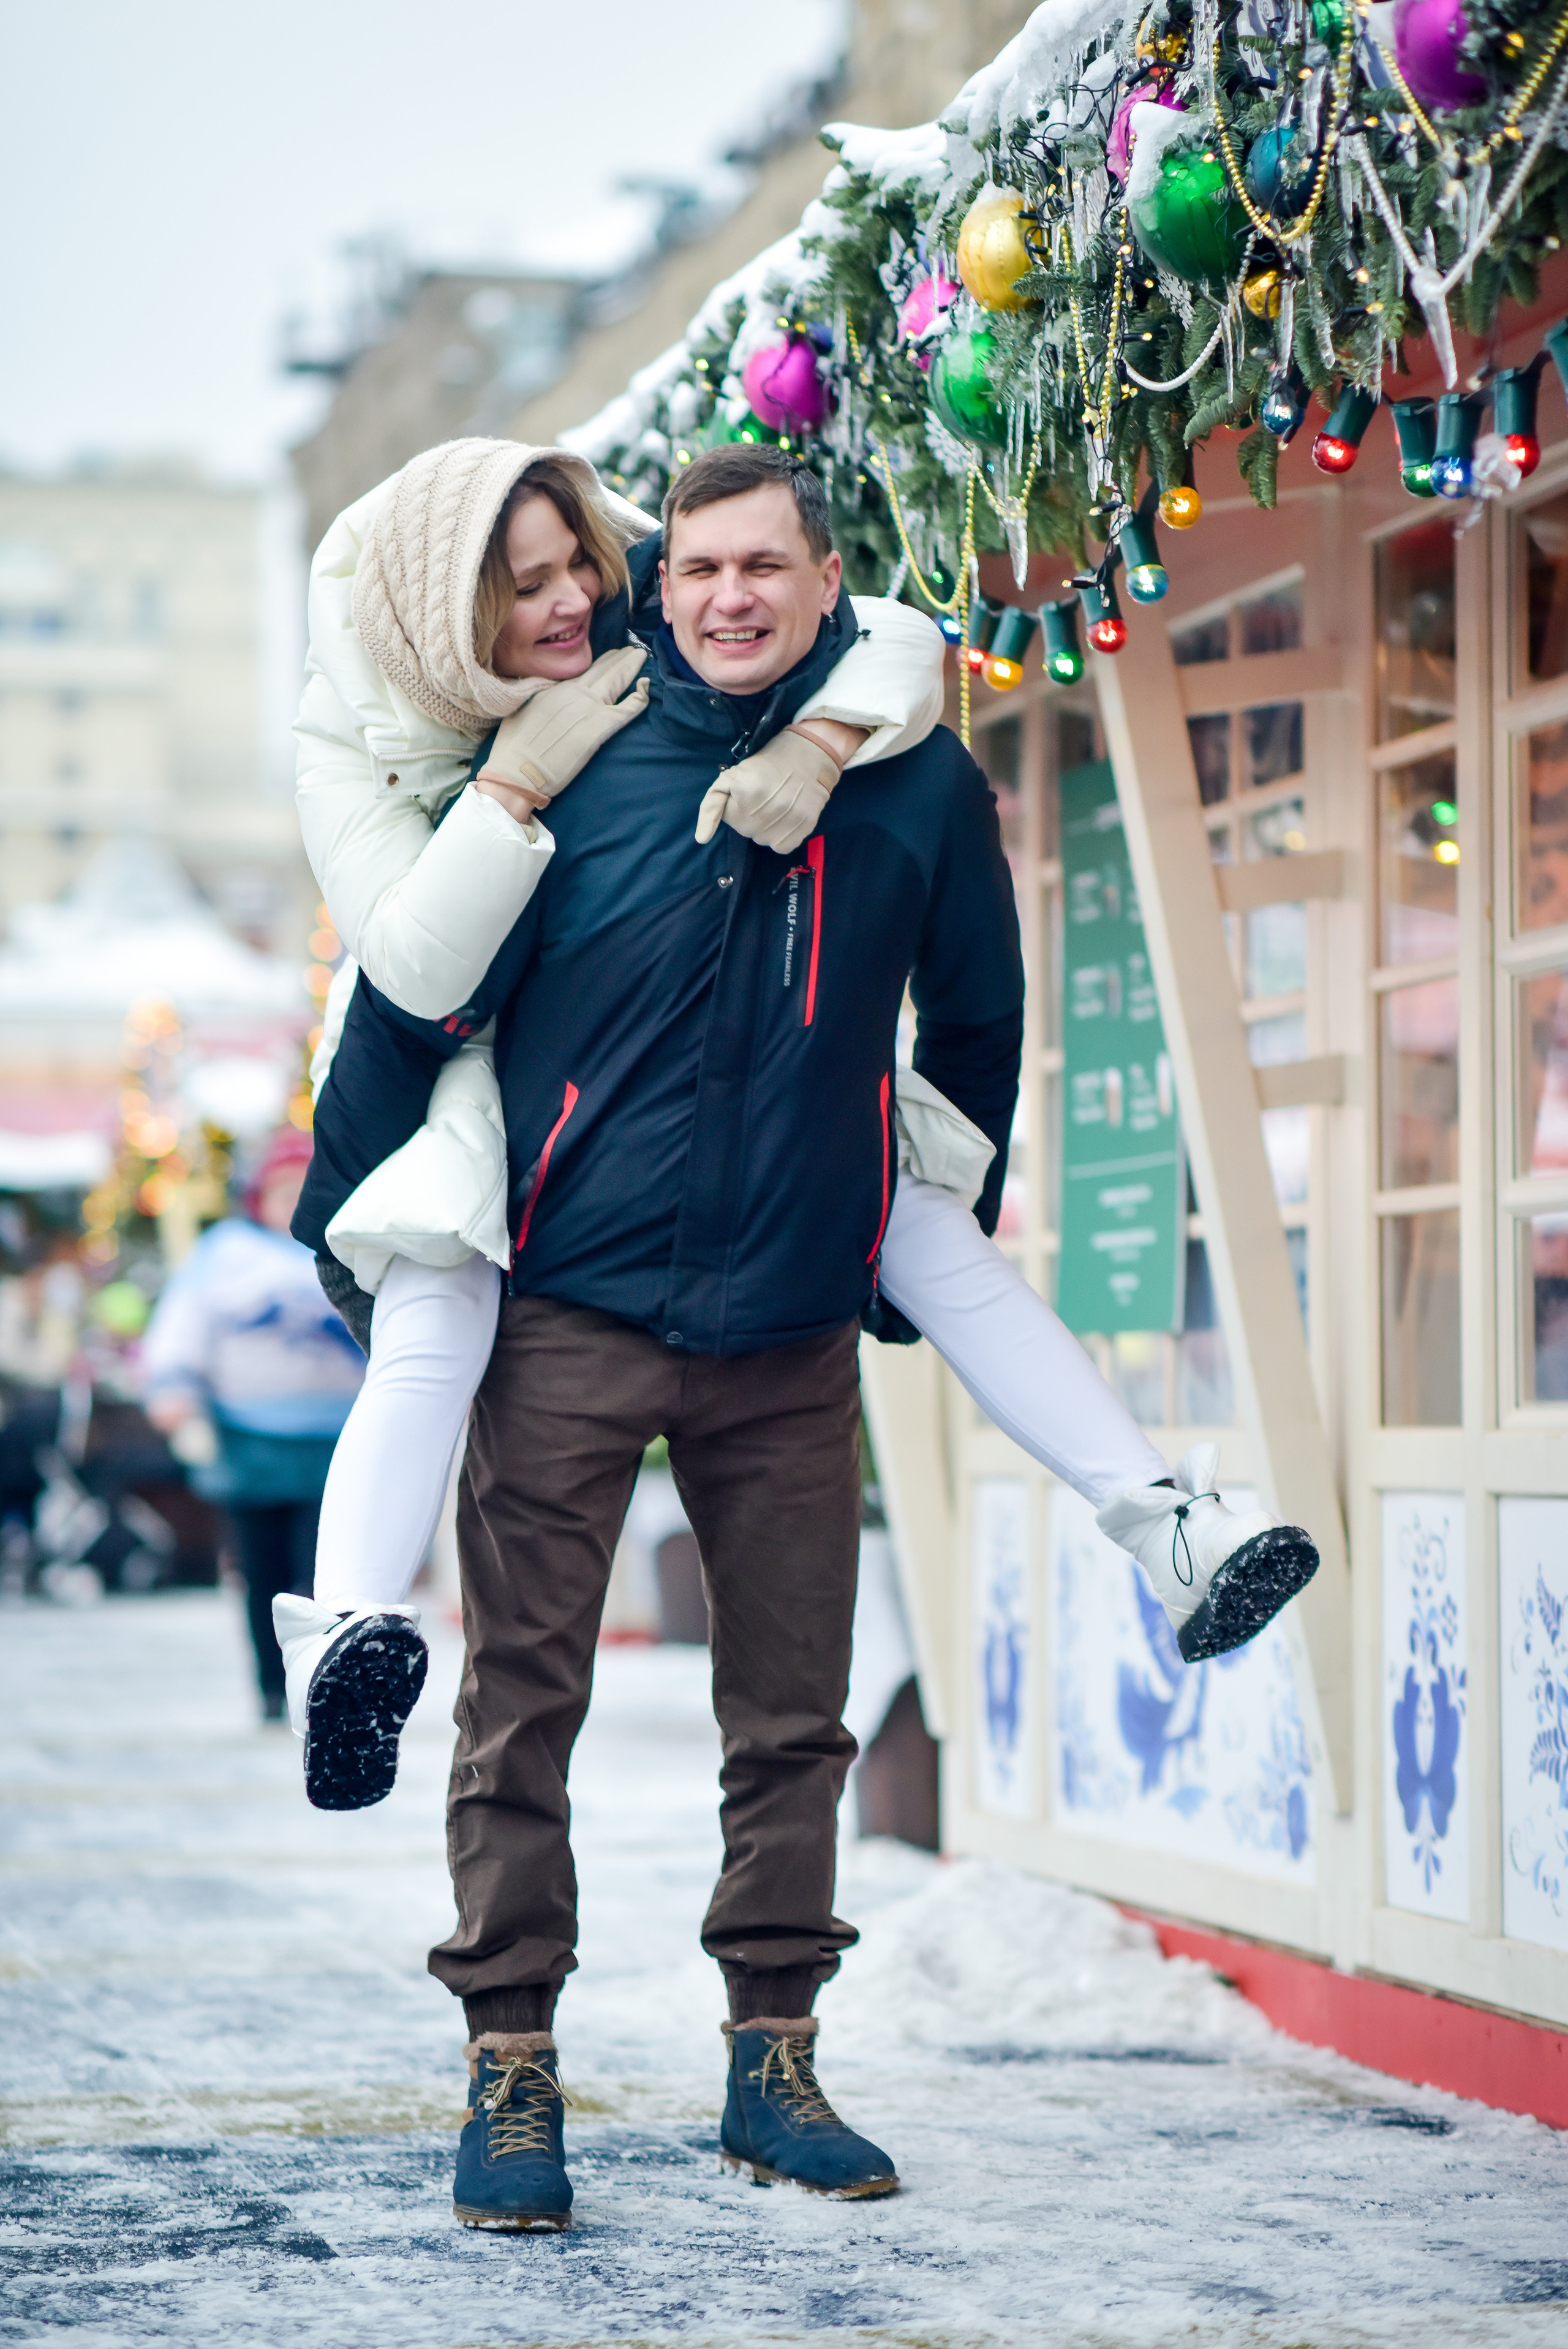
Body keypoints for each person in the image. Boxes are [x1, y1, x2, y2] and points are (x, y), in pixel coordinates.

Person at [290, 442, 1318, 2226]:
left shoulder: (906, 780)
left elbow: (979, 1005)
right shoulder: (579, 761)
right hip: (570, 1316)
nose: (727, 599)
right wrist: (350, 1206)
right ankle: (510, 2065)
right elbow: (423, 998)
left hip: (782, 1339)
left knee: (792, 1724)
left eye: (762, 567)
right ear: (659, 583)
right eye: (696, 571)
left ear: (823, 579)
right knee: (519, 1705)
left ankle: (774, 2056)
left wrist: (904, 1217)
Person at [140, 1128, 364, 1719]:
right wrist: (174, 1388)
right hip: (250, 1445)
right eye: (283, 1188)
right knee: (262, 1573)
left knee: (324, 1575)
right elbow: (183, 1323)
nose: (293, 1199)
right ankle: (271, 1686)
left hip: (339, 1443)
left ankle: (320, 1686)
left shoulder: (355, 1244)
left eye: (305, 1188)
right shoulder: (225, 1252)